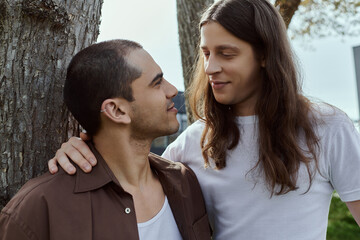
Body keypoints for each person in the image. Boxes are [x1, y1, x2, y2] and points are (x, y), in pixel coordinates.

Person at [48, 0, 360, 239]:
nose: (210, 68)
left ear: (265, 55)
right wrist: (81, 146)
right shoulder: (193, 143)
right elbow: (126, 175)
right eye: (206, 53)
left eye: (227, 53)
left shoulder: (329, 128)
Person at [0, 40, 211, 240]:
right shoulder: (38, 208)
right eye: (157, 83)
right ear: (116, 110)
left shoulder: (184, 182)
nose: (172, 90)